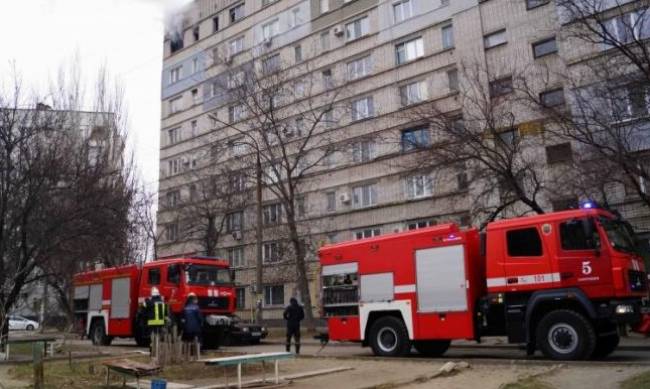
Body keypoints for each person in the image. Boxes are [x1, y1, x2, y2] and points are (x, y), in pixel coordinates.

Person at [182, 292, 203, 359]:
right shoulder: (196, 308)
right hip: (196, 328)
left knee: (187, 341)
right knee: (197, 341)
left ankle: (187, 355)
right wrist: (202, 324)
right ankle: (197, 355)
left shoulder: (185, 308)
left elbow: (182, 319)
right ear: (194, 299)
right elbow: (200, 318)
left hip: (187, 329)